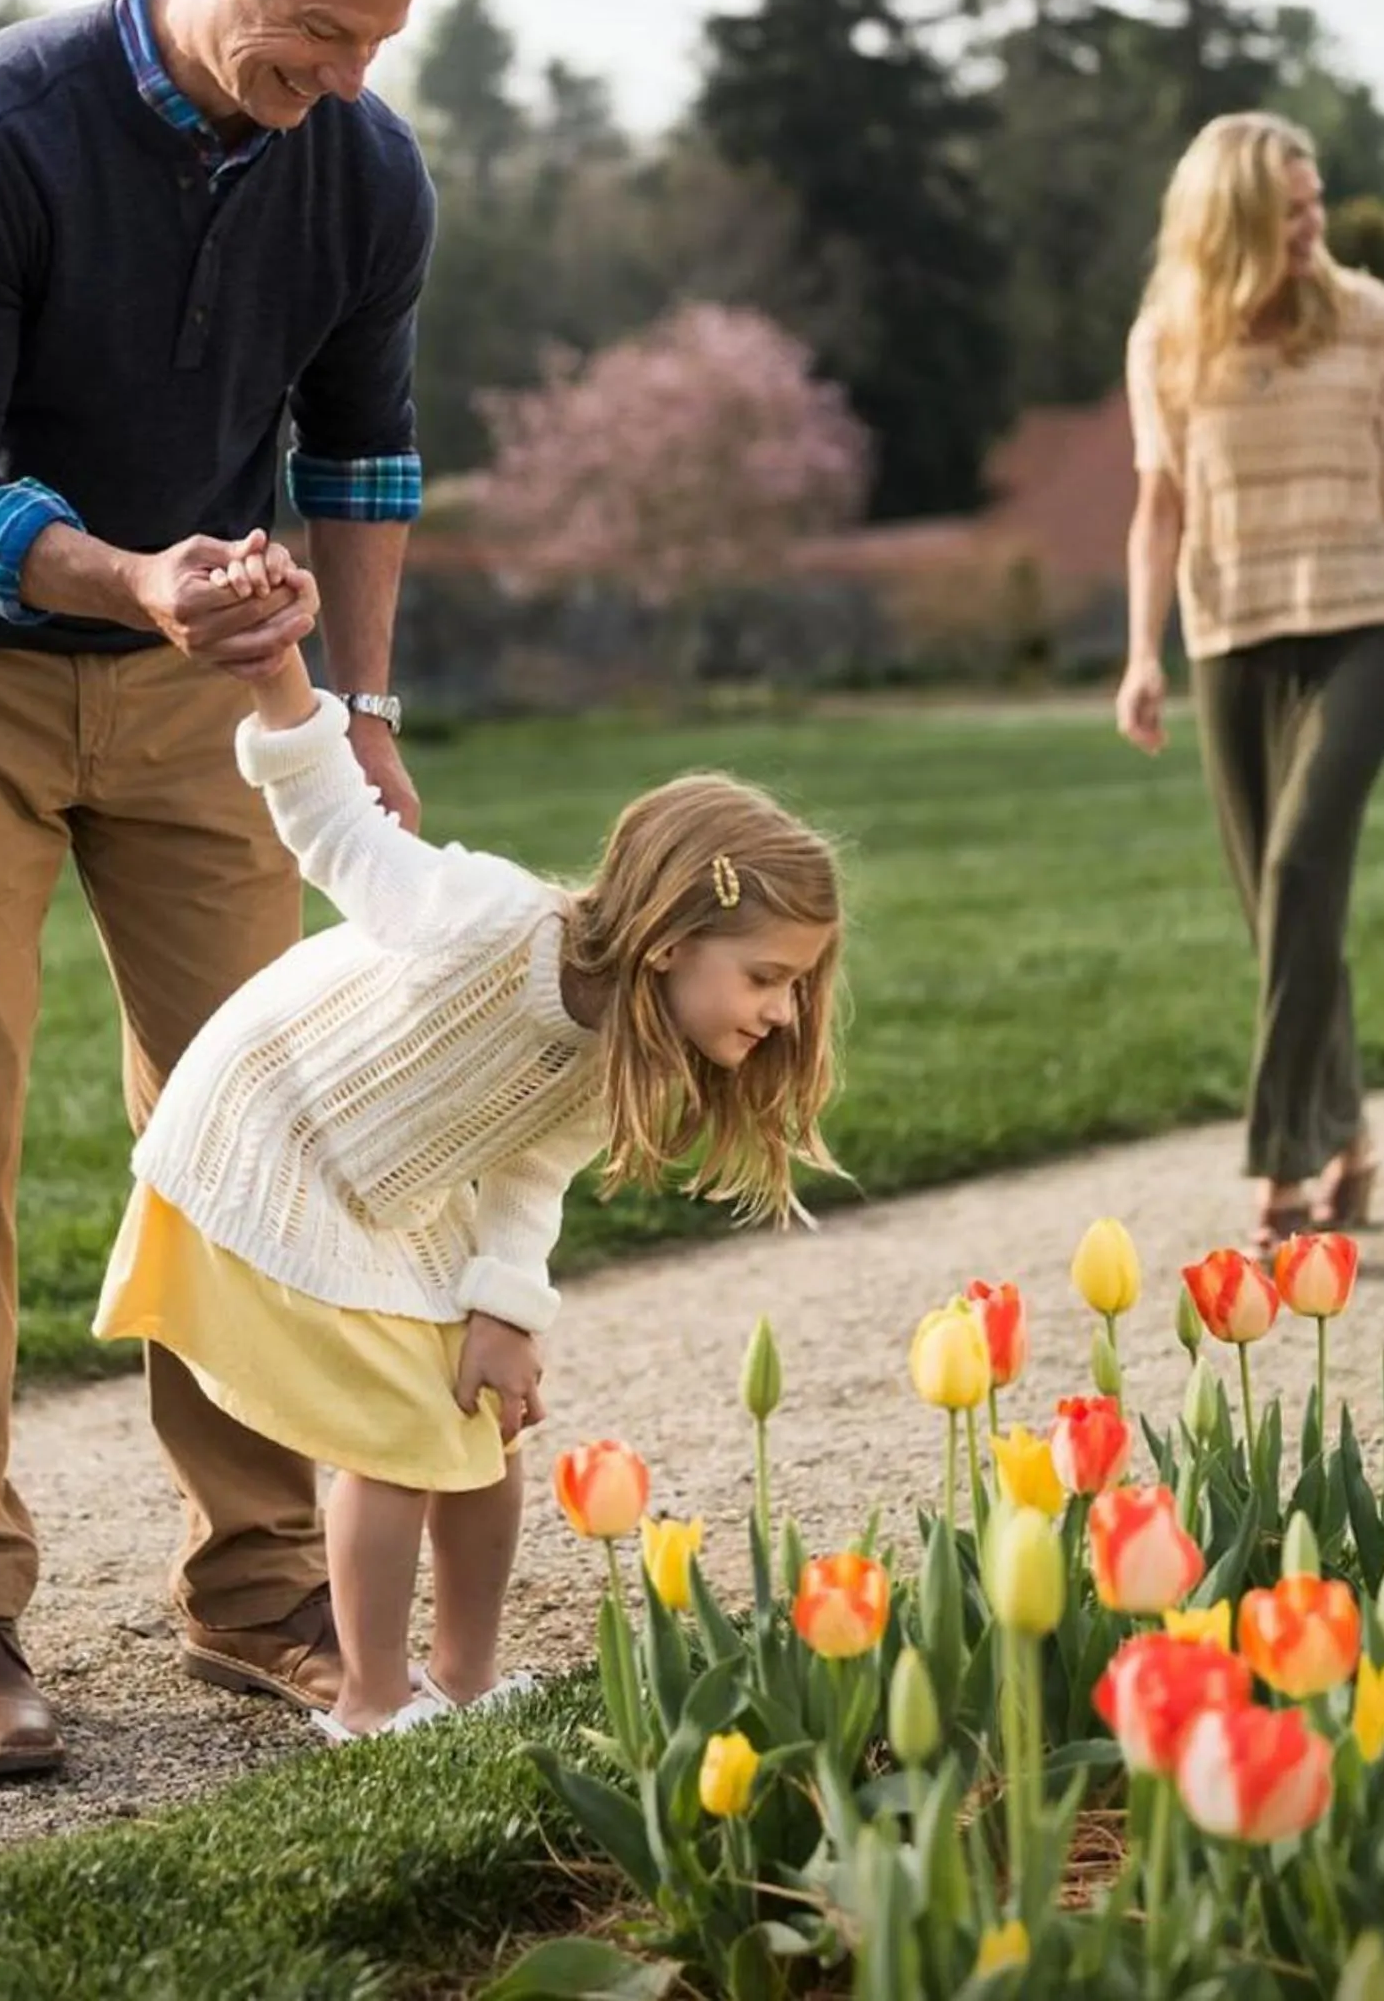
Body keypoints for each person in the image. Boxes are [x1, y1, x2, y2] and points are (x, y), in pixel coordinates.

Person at [0, 0, 439, 1777]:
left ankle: (254, 1584)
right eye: (317, 34)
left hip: (209, 700)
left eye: (373, 51)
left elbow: (358, 456)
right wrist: (126, 572)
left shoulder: (357, 169)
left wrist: (358, 696)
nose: (338, 80)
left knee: (248, 1122)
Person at [96, 540, 844, 1743]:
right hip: (276, 1139)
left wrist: (505, 1311)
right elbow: (335, 828)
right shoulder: (487, 920)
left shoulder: (621, 1048)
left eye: (793, 989)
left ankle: (461, 1676)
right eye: (765, 976)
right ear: (666, 939)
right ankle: (368, 1700)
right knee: (400, 1440)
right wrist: (282, 678)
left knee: (478, 1430)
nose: (780, 1012)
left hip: (392, 1184)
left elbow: (529, 1167)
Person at [1115, 112, 1384, 1256]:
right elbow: (1158, 503)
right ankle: (1347, 1132)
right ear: (1232, 220)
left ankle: (1281, 1160)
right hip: (1230, 638)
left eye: (1315, 202)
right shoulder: (1165, 338)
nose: (1314, 224)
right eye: (1290, 208)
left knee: (1301, 865)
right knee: (1277, 910)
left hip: (1362, 626)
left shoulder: (1368, 318)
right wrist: (1142, 652)